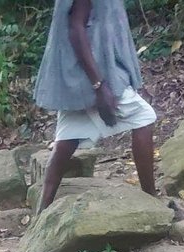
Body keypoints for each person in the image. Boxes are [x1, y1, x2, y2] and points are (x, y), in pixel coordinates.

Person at [33, 0, 158, 211]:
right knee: (144, 118)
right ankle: (152, 200)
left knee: (66, 139)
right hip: (96, 74)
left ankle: (42, 211)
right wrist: (99, 85)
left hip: (81, 74)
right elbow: (76, 29)